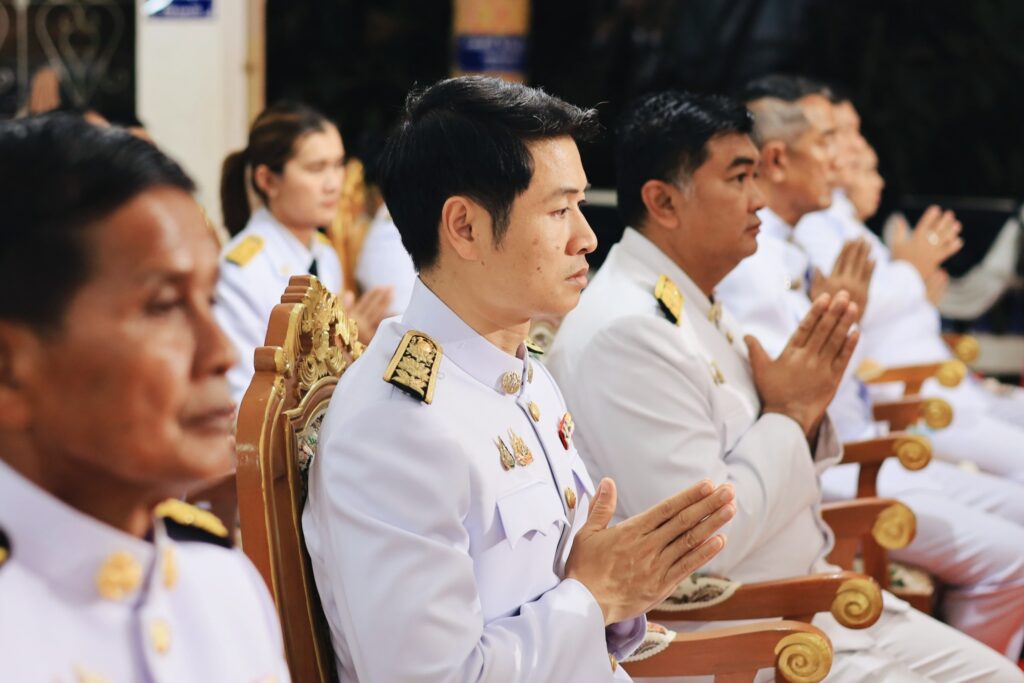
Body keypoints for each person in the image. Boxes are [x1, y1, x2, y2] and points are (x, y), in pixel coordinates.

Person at [301, 76, 738, 682]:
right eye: (559, 210)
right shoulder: (398, 426)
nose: (587, 237)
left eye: (580, 206)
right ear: (465, 227)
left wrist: (614, 595)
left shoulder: (517, 369)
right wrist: (595, 596)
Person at [716, 77, 1024, 662]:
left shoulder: (791, 242)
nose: (840, 157)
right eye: (827, 139)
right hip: (838, 464)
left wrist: (853, 310)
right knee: (1013, 557)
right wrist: (872, 296)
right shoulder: (756, 256)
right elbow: (784, 394)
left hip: (865, 444)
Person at [0, 114, 290, 681]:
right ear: (9, 371)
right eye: (163, 306)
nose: (221, 353)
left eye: (210, 300)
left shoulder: (223, 590)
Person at [793, 93, 1024, 480]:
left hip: (940, 388)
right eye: (835, 133)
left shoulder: (844, 223)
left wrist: (918, 288)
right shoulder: (812, 225)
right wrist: (912, 272)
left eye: (853, 132)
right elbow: (852, 309)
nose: (855, 144)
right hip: (907, 399)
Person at [215, 101, 393, 401]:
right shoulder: (241, 270)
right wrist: (339, 350)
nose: (333, 184)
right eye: (316, 168)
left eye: (338, 165)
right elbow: (243, 397)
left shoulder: (324, 254)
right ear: (267, 180)